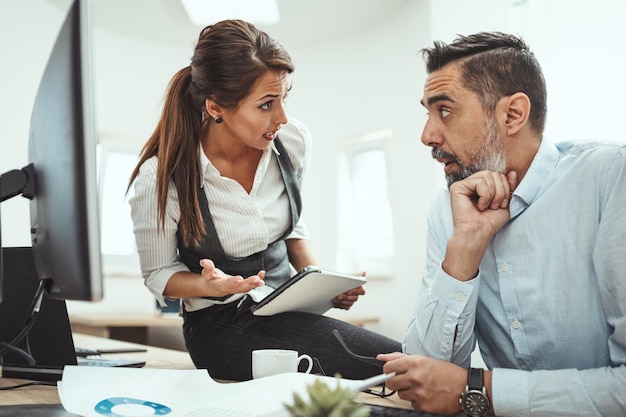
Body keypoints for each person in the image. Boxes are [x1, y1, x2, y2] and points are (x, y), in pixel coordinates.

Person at [127, 19, 400, 382]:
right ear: (216, 107)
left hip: (289, 308)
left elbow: (292, 228)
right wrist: (209, 286)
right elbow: (159, 273)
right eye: (267, 104)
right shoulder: (163, 176)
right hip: (220, 327)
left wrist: (324, 285)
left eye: (285, 97)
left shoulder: (292, 141)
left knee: (395, 362)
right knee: (394, 361)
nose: (282, 118)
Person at [378, 31, 626, 416]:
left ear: (512, 114)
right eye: (427, 113)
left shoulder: (610, 179)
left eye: (444, 110)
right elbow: (425, 379)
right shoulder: (449, 208)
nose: (427, 135)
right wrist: (464, 250)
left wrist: (481, 391)